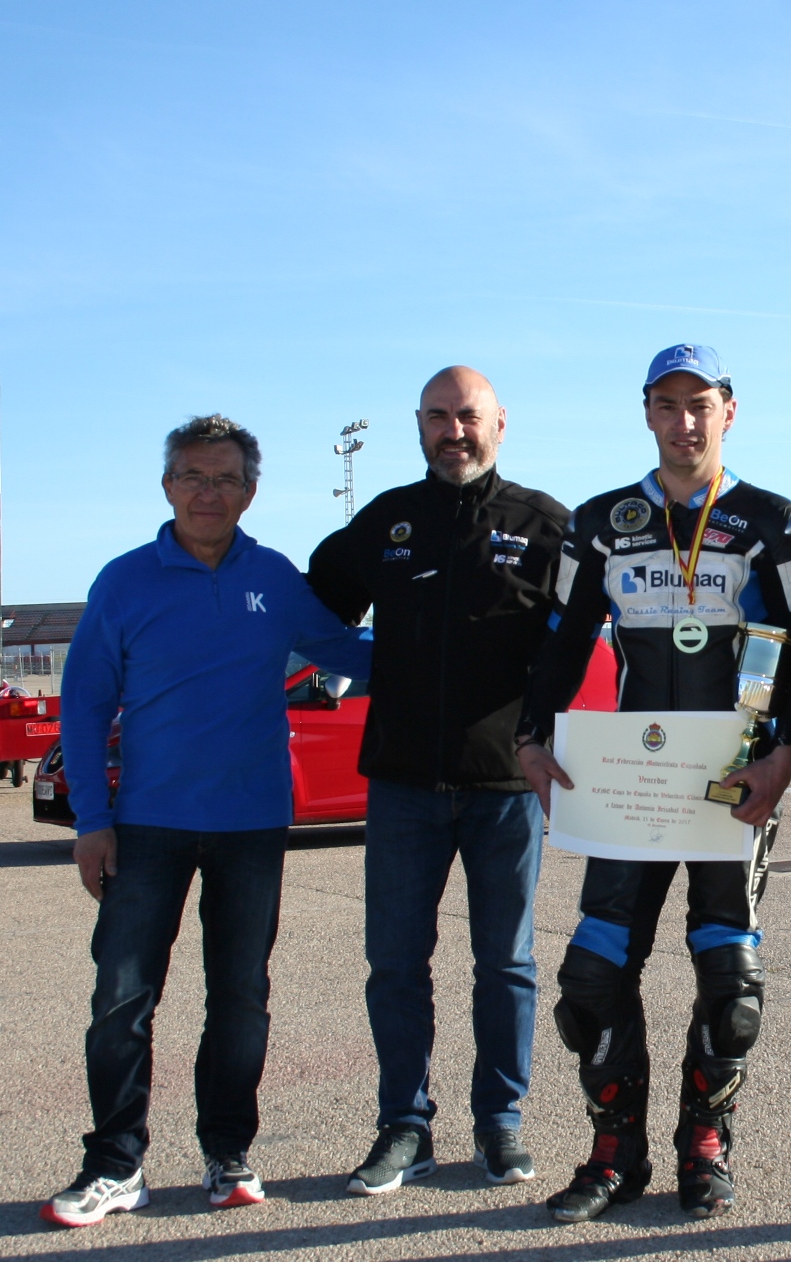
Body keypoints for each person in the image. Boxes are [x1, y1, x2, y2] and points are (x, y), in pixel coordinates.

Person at [516, 343, 791, 1223]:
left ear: (730, 410)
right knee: (588, 977)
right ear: (645, 412)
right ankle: (616, 1151)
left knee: (729, 982)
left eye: (700, 404)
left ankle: (705, 1145)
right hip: (630, 787)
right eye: (666, 404)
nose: (684, 421)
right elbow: (564, 637)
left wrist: (784, 754)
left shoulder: (777, 523)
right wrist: (531, 739)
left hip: (735, 786)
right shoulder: (600, 523)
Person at [43, 415, 370, 1228]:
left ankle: (228, 1154)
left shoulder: (274, 576)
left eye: (225, 479)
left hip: (252, 825)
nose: (207, 492)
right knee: (122, 998)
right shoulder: (123, 582)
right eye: (192, 475)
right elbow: (82, 708)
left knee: (240, 997)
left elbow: (350, 652)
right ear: (167, 485)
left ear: (250, 492)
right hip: (145, 825)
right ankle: (116, 1164)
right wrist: (92, 819)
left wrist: (466, 640)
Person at [308, 367, 570, 1195]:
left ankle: (499, 1124)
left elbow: (587, 635)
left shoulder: (545, 525)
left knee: (507, 963)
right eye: (437, 417)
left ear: (500, 423)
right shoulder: (386, 521)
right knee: (394, 962)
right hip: (402, 788)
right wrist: (360, 662)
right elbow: (311, 608)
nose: (453, 431)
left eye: (468, 417)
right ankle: (404, 1126)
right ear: (417, 425)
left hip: (504, 789)